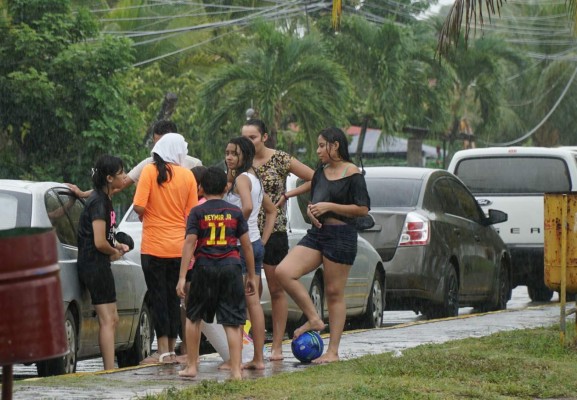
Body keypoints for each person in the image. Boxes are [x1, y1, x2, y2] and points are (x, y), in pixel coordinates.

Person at [275, 127, 370, 364]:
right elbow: (313, 190)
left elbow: (362, 209)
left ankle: (333, 352)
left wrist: (329, 207)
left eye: (321, 145)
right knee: (283, 272)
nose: (317, 150)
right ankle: (315, 318)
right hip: (317, 233)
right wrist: (300, 202)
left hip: (341, 236)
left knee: (334, 293)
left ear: (335, 145)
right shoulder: (321, 172)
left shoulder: (353, 174)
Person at [241, 118, 314, 361]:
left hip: (275, 232)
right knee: (250, 290)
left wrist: (289, 193)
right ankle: (253, 347)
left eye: (252, 137)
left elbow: (314, 177)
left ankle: (277, 346)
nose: (248, 142)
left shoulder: (281, 158)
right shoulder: (241, 161)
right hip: (246, 233)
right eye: (245, 137)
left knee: (276, 288)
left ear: (264, 137)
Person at [176, 167, 257, 380]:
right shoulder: (235, 212)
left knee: (194, 317)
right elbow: (246, 246)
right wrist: (251, 274)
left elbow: (190, 242)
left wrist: (182, 276)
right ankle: (236, 370)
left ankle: (192, 366)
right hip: (231, 267)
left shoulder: (197, 212)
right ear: (225, 187)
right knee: (232, 321)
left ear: (201, 188)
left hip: (204, 268)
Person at [134, 133, 198, 364]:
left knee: (157, 298)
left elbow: (139, 206)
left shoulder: (150, 171)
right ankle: (171, 349)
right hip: (178, 248)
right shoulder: (188, 175)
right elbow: (191, 214)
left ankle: (162, 351)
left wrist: (151, 216)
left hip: (153, 247)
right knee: (174, 299)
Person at [223, 136, 277, 370]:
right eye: (227, 153)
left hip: (241, 246)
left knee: (241, 303)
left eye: (234, 153)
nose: (229, 157)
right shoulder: (254, 179)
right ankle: (257, 357)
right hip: (254, 244)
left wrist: (232, 231)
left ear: (244, 156)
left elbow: (245, 207)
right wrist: (261, 241)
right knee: (253, 303)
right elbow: (272, 210)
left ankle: (244, 357)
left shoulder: (243, 179)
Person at [77, 155, 130, 370]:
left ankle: (110, 367)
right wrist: (114, 250)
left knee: (113, 318)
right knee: (107, 319)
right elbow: (99, 242)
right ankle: (109, 369)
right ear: (109, 178)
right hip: (94, 264)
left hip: (99, 264)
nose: (124, 177)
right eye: (121, 174)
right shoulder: (99, 202)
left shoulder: (102, 197)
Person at [68, 120, 201, 198]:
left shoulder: (194, 165)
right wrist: (83, 194)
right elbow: (117, 185)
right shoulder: (149, 164)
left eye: (162, 144)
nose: (158, 149)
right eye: (156, 144)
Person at [176, 165, 208, 363]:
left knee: (190, 308)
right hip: (191, 263)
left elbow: (191, 240)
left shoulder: (198, 207)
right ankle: (188, 348)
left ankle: (190, 351)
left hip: (194, 264)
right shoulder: (195, 204)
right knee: (187, 307)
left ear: (200, 187)